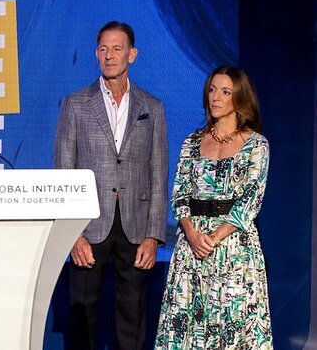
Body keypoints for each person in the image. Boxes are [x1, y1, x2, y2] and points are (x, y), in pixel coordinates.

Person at [54, 21, 168, 349]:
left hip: (135, 226)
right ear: (96, 54)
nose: (109, 55)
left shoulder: (152, 107)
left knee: (132, 319)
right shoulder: (76, 105)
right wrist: (71, 234)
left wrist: (153, 235)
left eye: (117, 49)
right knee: (82, 319)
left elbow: (157, 174)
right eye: (103, 49)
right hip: (88, 227)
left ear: (132, 54)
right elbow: (63, 172)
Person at [155, 66, 273, 349]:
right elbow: (179, 196)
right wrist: (194, 236)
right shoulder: (192, 142)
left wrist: (214, 238)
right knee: (188, 322)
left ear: (239, 98)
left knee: (231, 323)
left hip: (233, 248)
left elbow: (250, 201)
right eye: (212, 90)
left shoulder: (256, 145)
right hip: (192, 246)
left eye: (225, 92)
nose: (215, 98)